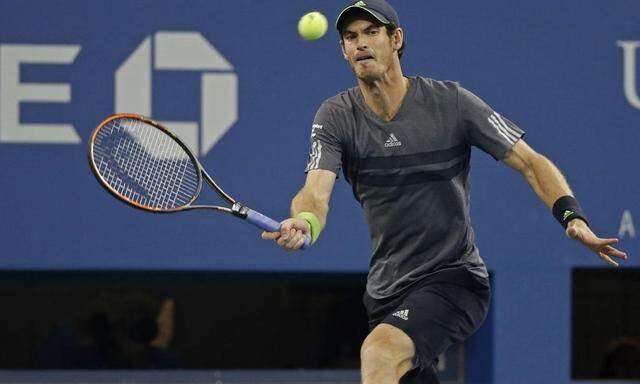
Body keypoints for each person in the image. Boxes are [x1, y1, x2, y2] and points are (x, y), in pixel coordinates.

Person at [262, 1, 628, 382]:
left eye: (372, 32)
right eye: (351, 37)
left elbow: (531, 163)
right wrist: (305, 222)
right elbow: (314, 192)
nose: (361, 44)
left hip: (454, 279)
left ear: (396, 39)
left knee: (379, 351)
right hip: (386, 293)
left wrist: (572, 216)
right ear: (343, 50)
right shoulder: (336, 116)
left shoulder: (451, 103)